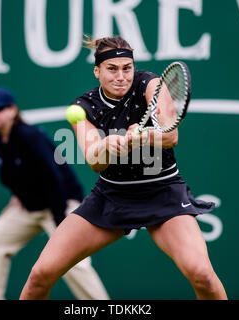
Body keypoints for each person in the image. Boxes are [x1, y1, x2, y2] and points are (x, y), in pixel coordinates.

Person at [20, 36, 228, 300]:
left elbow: (171, 134)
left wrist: (144, 136)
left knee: (203, 277)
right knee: (40, 276)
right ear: (97, 71)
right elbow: (94, 160)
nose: (121, 76)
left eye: (126, 68)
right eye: (112, 69)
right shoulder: (83, 107)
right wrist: (109, 145)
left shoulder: (150, 84)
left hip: (163, 192)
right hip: (112, 197)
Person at [0, 87, 110, 300]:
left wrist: (61, 223)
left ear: (12, 110)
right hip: (30, 209)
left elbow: (53, 178)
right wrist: (16, 199)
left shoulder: (30, 136)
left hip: (60, 204)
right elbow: (17, 174)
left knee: (74, 262)